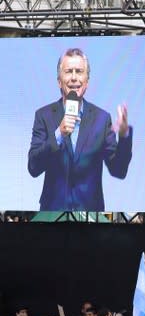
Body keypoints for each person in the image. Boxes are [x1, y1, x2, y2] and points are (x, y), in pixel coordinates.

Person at [27, 47, 133, 212]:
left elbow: (118, 170)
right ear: (59, 81)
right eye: (69, 71)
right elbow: (33, 167)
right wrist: (58, 135)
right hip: (52, 214)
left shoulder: (102, 118)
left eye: (79, 71)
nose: (74, 77)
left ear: (87, 82)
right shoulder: (44, 115)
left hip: (90, 217)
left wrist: (124, 135)